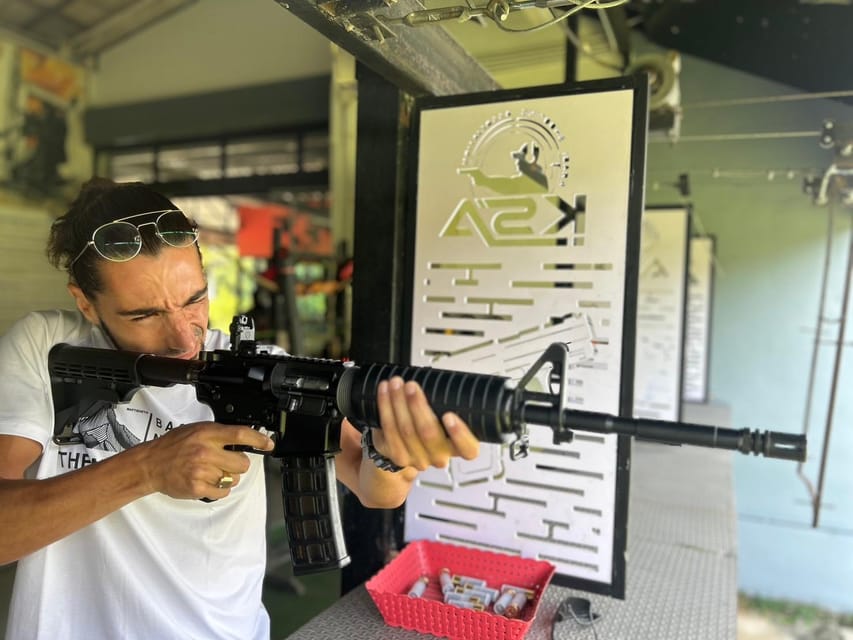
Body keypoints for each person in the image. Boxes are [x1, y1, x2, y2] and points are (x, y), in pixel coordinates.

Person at [0, 178, 481, 640]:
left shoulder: (264, 370)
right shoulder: (44, 346)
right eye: (143, 315)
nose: (182, 336)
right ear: (85, 303)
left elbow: (378, 489)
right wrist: (147, 468)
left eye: (195, 300)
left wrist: (393, 451)